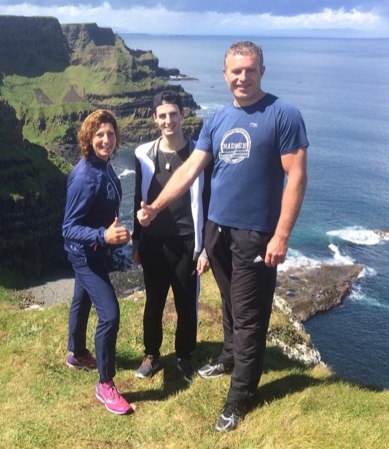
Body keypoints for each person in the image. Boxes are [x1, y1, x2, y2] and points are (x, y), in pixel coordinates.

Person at [137, 41, 308, 432]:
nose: (242, 77)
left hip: (255, 233)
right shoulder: (216, 120)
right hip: (217, 229)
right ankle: (230, 357)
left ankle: (239, 397)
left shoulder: (283, 114)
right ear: (225, 74)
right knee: (230, 301)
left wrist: (281, 236)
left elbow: (297, 177)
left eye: (249, 69)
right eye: (235, 71)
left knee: (249, 316)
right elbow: (188, 170)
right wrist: (156, 206)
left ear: (262, 70)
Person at [132, 90, 210, 382]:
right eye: (162, 115)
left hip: (187, 244)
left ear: (183, 115)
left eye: (173, 114)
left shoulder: (199, 156)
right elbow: (139, 202)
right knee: (153, 303)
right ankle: (151, 354)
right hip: (153, 243)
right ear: (154, 119)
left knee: (186, 304)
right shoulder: (143, 155)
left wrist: (205, 249)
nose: (169, 120)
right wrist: (137, 240)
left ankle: (185, 355)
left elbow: (208, 201)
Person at [62, 109, 132, 415]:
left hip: (94, 248)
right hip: (84, 252)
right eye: (99, 134)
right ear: (88, 139)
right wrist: (104, 235)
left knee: (82, 299)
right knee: (110, 315)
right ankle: (105, 385)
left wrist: (110, 233)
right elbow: (68, 227)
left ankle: (76, 354)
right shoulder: (84, 177)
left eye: (111, 134)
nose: (106, 139)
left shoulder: (104, 166)